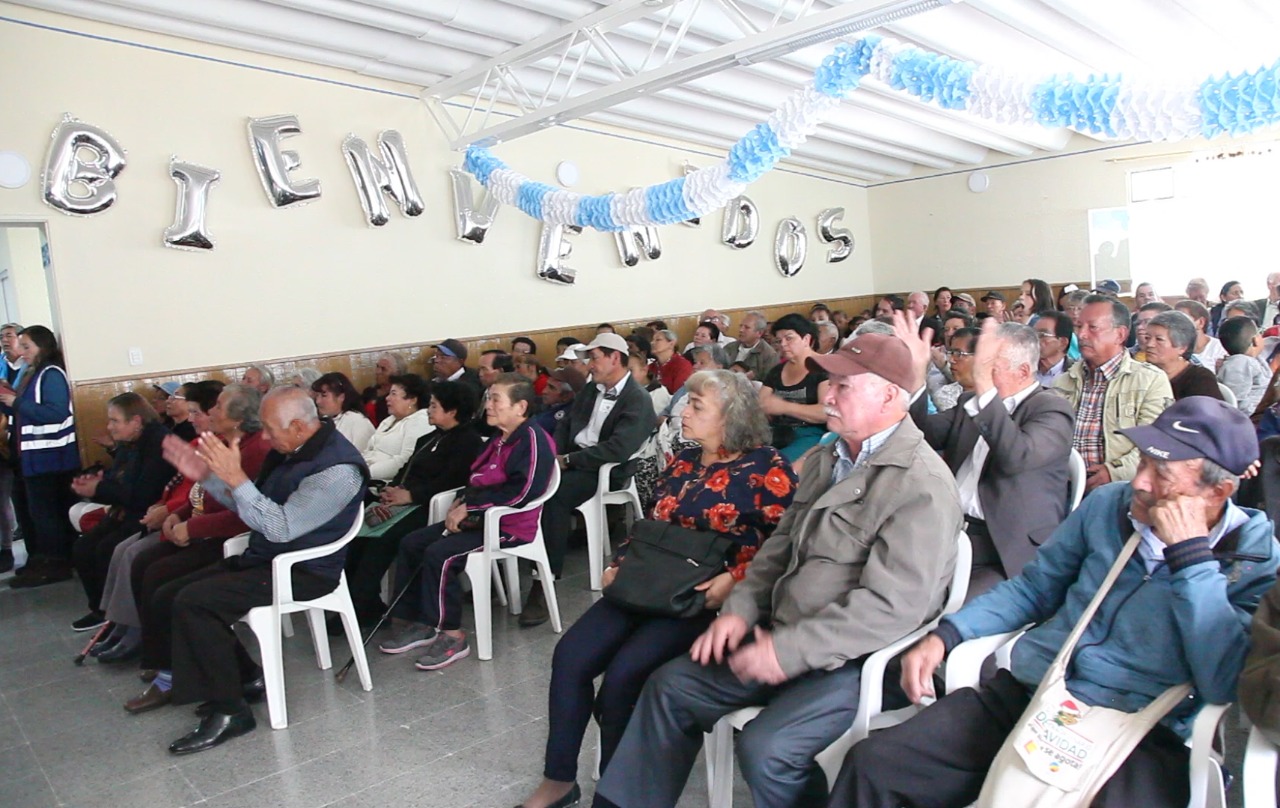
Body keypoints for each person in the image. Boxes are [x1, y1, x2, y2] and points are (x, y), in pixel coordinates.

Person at [829, 396, 1279, 808]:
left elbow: (1221, 680)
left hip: (1141, 726)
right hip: (1038, 692)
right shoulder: (1108, 506)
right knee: (877, 763)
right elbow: (1034, 589)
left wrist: (1192, 561)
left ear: (1217, 492)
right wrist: (948, 634)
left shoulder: (1252, 556)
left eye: (1161, 474)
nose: (1139, 481)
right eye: (1142, 460)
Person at [594, 333, 961, 808]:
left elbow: (892, 608)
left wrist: (786, 651)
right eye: (829, 382)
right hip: (784, 633)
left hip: (853, 659)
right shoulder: (830, 459)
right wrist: (739, 611)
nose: (826, 394)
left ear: (890, 395)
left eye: (843, 386)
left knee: (768, 747)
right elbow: (778, 549)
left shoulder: (920, 485)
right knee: (671, 687)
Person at [518, 370, 795, 808]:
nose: (683, 412)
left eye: (697, 406)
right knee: (570, 656)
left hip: (698, 596)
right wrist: (619, 560)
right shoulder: (683, 460)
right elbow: (651, 521)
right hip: (646, 580)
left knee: (625, 676)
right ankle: (559, 778)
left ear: (731, 416)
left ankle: (615, 790)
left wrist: (737, 578)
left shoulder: (766, 467)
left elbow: (783, 543)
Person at [144, 387, 368, 754]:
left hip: (304, 570)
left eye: (268, 429)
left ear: (297, 426)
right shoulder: (293, 450)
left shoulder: (338, 470)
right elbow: (252, 505)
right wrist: (207, 474)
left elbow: (280, 526)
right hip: (267, 558)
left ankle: (231, 711)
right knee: (170, 593)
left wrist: (237, 479)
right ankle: (246, 679)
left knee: (196, 602)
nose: (263, 437)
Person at [378, 373, 555, 669]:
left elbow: (524, 491)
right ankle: (420, 622)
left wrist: (470, 506)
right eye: (488, 397)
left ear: (520, 407)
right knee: (412, 542)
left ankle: (452, 635)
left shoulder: (533, 440)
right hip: (477, 518)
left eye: (496, 399)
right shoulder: (498, 439)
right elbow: (474, 477)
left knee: (440, 554)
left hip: (508, 525)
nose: (488, 404)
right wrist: (460, 504)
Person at [905, 317, 1075, 596]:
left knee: (941, 606)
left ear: (1021, 372)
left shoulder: (1051, 409)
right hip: (947, 527)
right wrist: (916, 374)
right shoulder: (970, 403)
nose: (978, 371)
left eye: (989, 365)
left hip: (1002, 544)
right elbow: (919, 434)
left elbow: (1016, 458)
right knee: (893, 588)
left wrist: (984, 393)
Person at [105, 383, 268, 670]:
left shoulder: (256, 450)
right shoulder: (221, 441)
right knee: (143, 562)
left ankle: (168, 666)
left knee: (159, 576)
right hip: (207, 528)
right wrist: (179, 513)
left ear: (239, 419)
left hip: (232, 539)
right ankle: (157, 652)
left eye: (218, 407)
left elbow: (244, 512)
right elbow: (207, 492)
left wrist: (192, 527)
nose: (211, 412)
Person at [533, 334, 656, 627]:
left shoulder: (637, 399)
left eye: (595, 357)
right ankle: (520, 556)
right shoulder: (591, 390)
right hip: (574, 460)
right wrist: (557, 455)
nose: (590, 365)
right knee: (528, 485)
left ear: (615, 358)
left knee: (555, 495)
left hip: (607, 470)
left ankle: (544, 579)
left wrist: (569, 461)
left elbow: (618, 449)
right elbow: (565, 425)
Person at [342, 381, 484, 627]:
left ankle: (361, 604)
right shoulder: (428, 438)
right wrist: (394, 489)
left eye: (433, 406)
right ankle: (363, 602)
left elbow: (452, 482)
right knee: (356, 534)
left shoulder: (468, 442)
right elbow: (406, 470)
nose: (428, 410)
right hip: (405, 500)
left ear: (452, 411)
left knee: (382, 541)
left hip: (429, 507)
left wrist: (411, 496)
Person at [68, 393, 173, 631]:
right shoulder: (131, 444)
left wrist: (100, 488)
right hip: (126, 509)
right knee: (83, 547)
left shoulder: (159, 443)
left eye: (115, 421)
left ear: (136, 421)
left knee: (107, 549)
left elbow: (142, 495)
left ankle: (116, 616)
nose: (109, 427)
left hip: (148, 514)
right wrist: (96, 486)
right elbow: (119, 483)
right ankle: (100, 610)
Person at [1054, 295, 1173, 492]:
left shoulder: (1150, 380)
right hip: (1061, 484)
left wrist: (1114, 472)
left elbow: (1157, 443)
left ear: (1120, 334)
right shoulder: (1063, 381)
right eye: (1078, 326)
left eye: (1092, 328)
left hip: (1121, 487)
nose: (1082, 335)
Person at [2, 325, 79, 587]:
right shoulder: (31, 374)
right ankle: (44, 559)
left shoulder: (51, 374)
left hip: (51, 457)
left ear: (42, 348)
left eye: (27, 347)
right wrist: (9, 400)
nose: (21, 353)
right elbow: (25, 412)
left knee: (48, 514)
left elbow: (57, 413)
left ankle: (56, 564)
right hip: (34, 457)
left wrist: (17, 403)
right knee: (38, 513)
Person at [759, 314, 830, 462]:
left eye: (789, 338)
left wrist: (785, 407)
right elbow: (762, 402)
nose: (783, 344)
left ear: (806, 339)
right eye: (779, 341)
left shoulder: (823, 368)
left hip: (811, 434)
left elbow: (827, 412)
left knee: (777, 466)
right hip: (777, 432)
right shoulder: (776, 371)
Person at [361, 374, 434, 483]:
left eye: (393, 394)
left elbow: (405, 461)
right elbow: (369, 450)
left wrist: (365, 472)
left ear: (412, 400)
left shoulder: (420, 421)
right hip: (365, 473)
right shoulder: (389, 420)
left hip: (384, 482)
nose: (387, 398)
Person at [1144, 311, 1224, 401]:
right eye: (1147, 338)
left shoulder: (1200, 379)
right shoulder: (1142, 374)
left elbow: (1209, 413)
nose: (1149, 344)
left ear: (1182, 347)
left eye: (1159, 339)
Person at [1216, 316, 1271, 414]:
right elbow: (1237, 401)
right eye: (1260, 333)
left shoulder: (1253, 360)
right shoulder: (1240, 363)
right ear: (1255, 340)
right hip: (1251, 420)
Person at [311, 372, 375, 452]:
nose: (318, 401)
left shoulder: (357, 422)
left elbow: (359, 458)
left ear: (341, 397)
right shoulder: (324, 421)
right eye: (317, 396)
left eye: (324, 396)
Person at [934, 327, 979, 412]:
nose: (951, 360)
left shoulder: (1001, 393)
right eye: (951, 353)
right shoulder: (945, 395)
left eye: (958, 354)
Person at [724, 311, 779, 380]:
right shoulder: (729, 347)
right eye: (741, 326)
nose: (741, 330)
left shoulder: (769, 355)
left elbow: (769, 383)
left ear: (759, 333)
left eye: (746, 327)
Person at [533, 366, 585, 438]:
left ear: (566, 396)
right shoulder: (546, 404)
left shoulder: (563, 419)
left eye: (552, 388)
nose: (544, 391)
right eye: (546, 385)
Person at [361, 351, 406, 426]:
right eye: (377, 367)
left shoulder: (401, 395)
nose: (377, 372)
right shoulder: (369, 392)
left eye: (383, 369)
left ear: (396, 373)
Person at [1032, 310, 1074, 387]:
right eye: (1033, 333)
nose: (1034, 339)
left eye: (1042, 335)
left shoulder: (1075, 376)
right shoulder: (1024, 368)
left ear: (1062, 343)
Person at [651, 329, 693, 395]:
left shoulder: (682, 365)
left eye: (658, 340)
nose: (652, 343)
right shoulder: (652, 366)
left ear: (671, 344)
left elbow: (679, 394)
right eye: (652, 340)